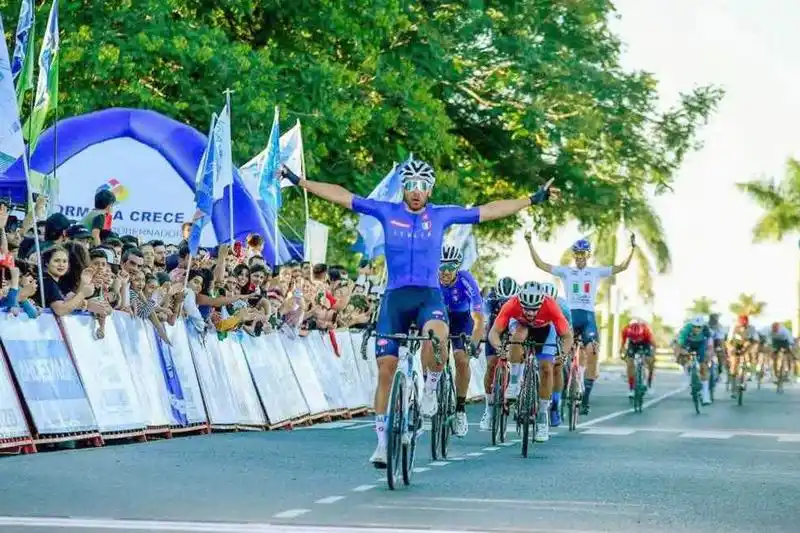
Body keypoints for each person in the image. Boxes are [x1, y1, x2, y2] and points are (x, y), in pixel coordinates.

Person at [281, 159, 556, 467]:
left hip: (428, 296)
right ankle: (382, 444)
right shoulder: (387, 212)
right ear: (403, 188)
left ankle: (431, 388)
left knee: (438, 336)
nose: (416, 191)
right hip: (395, 298)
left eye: (422, 186)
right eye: (410, 185)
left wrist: (531, 199)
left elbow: (489, 210)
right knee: (386, 371)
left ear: (430, 190)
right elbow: (342, 195)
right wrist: (299, 181)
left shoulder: (440, 215)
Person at [525, 233, 634, 415]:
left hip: (588, 318)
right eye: (576, 254)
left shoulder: (595, 272)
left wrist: (632, 248)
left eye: (582, 254)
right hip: (570, 315)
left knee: (593, 352)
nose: (579, 257)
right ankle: (557, 394)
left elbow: (622, 267)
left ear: (588, 255)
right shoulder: (566, 272)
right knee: (561, 354)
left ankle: (585, 399)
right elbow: (540, 264)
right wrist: (530, 244)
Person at [487, 282, 573, 443]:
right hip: (520, 326)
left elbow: (567, 336)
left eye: (534, 309)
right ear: (520, 302)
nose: (530, 313)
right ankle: (514, 383)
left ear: (542, 303)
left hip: (545, 330)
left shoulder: (551, 306)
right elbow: (494, 332)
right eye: (526, 308)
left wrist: (563, 354)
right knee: (517, 336)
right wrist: (500, 348)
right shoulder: (512, 304)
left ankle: (542, 417)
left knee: (547, 368)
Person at [438, 244, 484, 437]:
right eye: (442, 266)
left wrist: (474, 342)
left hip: (462, 320)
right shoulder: (431, 279)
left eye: (450, 267)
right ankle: (430, 391)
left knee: (461, 360)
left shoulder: (466, 280)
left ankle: (460, 409)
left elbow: (478, 318)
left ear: (458, 268)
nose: (445, 272)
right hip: (439, 317)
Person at [479, 276, 519, 431]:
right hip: (495, 326)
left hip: (513, 325)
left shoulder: (519, 300)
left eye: (509, 301)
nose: (505, 304)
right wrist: (481, 337)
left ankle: (516, 385)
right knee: (491, 365)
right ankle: (489, 409)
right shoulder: (490, 299)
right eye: (503, 301)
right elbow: (484, 321)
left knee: (516, 352)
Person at [537, 281, 571, 427]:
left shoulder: (562, 306)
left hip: (557, 332)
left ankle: (555, 404)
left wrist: (563, 351)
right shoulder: (532, 303)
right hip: (538, 329)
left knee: (557, 367)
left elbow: (568, 332)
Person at [675, 316, 713, 405]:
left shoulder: (707, 331)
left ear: (702, 327)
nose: (696, 329)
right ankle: (688, 369)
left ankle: (706, 396)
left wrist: (709, 355)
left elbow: (710, 346)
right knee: (682, 356)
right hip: (688, 343)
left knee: (704, 366)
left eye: (699, 327)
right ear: (691, 325)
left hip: (701, 344)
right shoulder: (686, 330)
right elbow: (679, 346)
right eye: (694, 326)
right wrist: (678, 356)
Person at [620, 319, 656, 397]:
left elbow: (654, 345)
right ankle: (631, 388)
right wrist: (623, 355)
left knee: (651, 362)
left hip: (645, 343)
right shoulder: (626, 330)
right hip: (632, 345)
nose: (635, 340)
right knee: (630, 364)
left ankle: (649, 384)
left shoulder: (647, 331)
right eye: (633, 337)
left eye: (637, 338)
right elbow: (622, 344)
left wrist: (652, 356)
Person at [725, 315, 759, 395]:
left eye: (745, 326)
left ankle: (745, 375)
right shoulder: (733, 327)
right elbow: (728, 342)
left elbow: (756, 341)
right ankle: (733, 387)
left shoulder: (752, 328)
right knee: (733, 365)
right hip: (735, 344)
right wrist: (731, 349)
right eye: (741, 325)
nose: (743, 327)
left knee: (748, 348)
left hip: (746, 346)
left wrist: (753, 350)